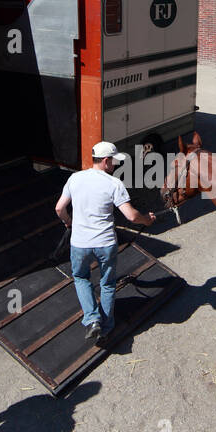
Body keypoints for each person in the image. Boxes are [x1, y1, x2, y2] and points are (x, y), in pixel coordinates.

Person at [55, 141, 156, 343]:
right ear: (106, 161)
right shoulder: (114, 184)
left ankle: (92, 319)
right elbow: (131, 216)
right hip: (105, 243)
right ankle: (107, 327)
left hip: (80, 244)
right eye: (114, 162)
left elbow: (59, 208)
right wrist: (147, 219)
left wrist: (69, 222)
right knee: (108, 284)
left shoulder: (75, 178)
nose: (116, 166)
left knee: (81, 278)